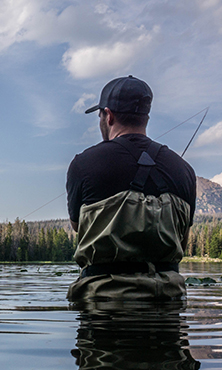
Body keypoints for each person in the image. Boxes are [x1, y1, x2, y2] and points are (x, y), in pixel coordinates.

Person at [66, 75, 196, 302]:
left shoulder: (83, 164)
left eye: (100, 116)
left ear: (108, 116)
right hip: (167, 305)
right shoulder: (184, 170)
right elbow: (182, 241)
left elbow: (78, 227)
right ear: (145, 117)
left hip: (103, 306)